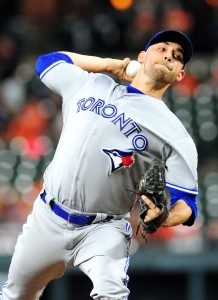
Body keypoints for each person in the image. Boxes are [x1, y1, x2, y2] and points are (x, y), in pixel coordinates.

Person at [0, 30, 198, 300]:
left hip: (104, 228)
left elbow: (187, 202)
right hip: (48, 218)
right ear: (142, 57)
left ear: (179, 75)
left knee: (112, 294)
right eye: (162, 48)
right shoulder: (91, 84)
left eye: (177, 57)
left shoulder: (174, 132)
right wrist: (108, 65)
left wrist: (165, 217)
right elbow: (47, 62)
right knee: (15, 296)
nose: (169, 55)